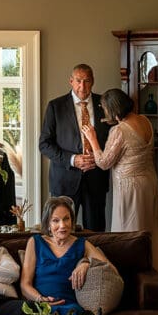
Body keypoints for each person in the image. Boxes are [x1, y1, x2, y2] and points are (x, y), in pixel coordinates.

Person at [81, 88, 158, 276]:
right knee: (148, 229)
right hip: (149, 183)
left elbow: (104, 163)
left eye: (104, 109)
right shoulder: (145, 121)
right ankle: (152, 274)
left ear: (113, 109)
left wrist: (92, 139)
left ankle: (130, 277)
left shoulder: (119, 130)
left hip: (131, 187)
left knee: (129, 233)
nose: (104, 112)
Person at [39, 64, 111, 231]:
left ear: (93, 82)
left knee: (95, 231)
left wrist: (100, 156)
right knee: (62, 231)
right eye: (78, 81)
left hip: (96, 178)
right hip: (64, 179)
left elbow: (113, 139)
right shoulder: (55, 107)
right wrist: (73, 159)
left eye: (86, 81)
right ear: (71, 81)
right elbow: (44, 144)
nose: (82, 86)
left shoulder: (105, 105)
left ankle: (93, 258)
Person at [19, 196, 112, 315]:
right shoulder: (35, 242)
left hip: (70, 308)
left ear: (72, 221)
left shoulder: (82, 244)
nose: (62, 225)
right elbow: (24, 284)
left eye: (66, 219)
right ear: (48, 224)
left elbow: (109, 268)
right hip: (41, 306)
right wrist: (41, 299)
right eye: (56, 220)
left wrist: (86, 263)